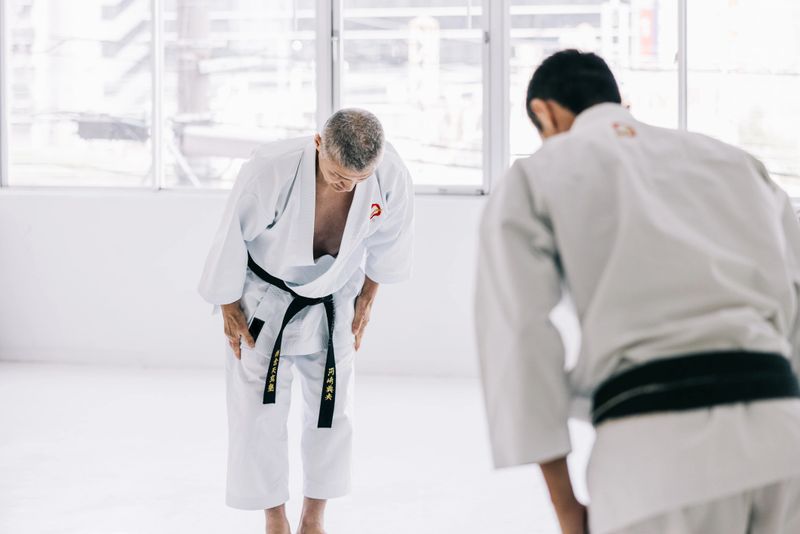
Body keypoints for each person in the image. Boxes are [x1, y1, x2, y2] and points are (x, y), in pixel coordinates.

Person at [475, 49, 800, 534]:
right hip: (785, 437)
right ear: (618, 100)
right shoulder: (733, 162)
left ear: (543, 112)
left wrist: (567, 511)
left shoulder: (537, 174)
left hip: (656, 461)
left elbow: (519, 337)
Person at [198, 108, 414, 534]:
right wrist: (227, 305)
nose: (345, 185)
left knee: (332, 411)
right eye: (337, 174)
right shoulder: (271, 169)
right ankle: (274, 516)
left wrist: (369, 298)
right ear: (318, 143)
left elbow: (392, 241)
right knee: (258, 412)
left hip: (335, 298)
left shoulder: (391, 174)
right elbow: (231, 232)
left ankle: (314, 516)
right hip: (266, 301)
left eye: (356, 178)